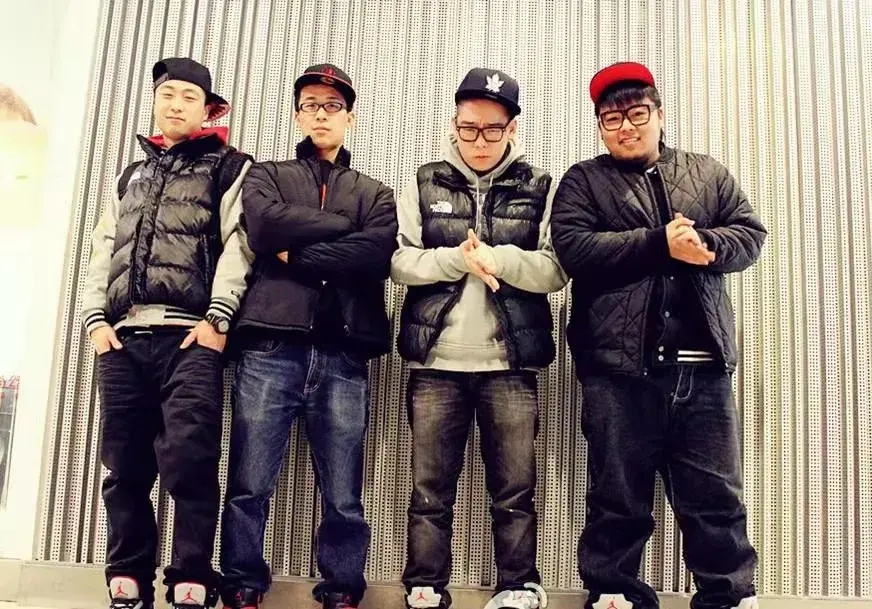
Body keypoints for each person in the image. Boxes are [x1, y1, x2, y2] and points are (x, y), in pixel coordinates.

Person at [550, 61, 766, 609]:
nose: (626, 127)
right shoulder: (583, 181)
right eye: (611, 118)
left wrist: (708, 246)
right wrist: (657, 243)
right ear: (600, 126)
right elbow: (574, 248)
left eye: (637, 113)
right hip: (618, 370)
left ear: (660, 115)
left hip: (704, 369)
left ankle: (728, 596)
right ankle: (613, 593)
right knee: (617, 496)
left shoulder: (707, 172)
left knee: (716, 497)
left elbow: (750, 234)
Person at [218, 63, 397, 609]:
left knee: (343, 491)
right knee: (249, 481)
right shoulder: (266, 175)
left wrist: (296, 253)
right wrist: (342, 226)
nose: (322, 115)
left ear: (350, 117)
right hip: (270, 347)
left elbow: (375, 254)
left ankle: (341, 587)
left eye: (333, 106)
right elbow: (263, 227)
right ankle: (242, 581)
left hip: (343, 352)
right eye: (311, 105)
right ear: (298, 114)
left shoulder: (375, 192)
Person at [392, 67, 567, 609]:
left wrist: (499, 259)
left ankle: (518, 586)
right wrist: (456, 260)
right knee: (429, 490)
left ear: (512, 129)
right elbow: (399, 260)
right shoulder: (424, 180)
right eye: (469, 128)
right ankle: (424, 586)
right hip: (435, 365)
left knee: (515, 491)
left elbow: (555, 270)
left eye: (493, 129)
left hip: (509, 365)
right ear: (453, 124)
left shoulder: (539, 185)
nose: (480, 140)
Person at [81, 57, 253, 609]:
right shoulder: (130, 174)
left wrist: (218, 318)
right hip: (123, 340)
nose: (176, 104)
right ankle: (127, 574)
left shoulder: (229, 167)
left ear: (208, 109)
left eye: (188, 97)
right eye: (167, 94)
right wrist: (95, 321)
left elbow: (239, 246)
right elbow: (103, 248)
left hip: (190, 339)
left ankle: (191, 577)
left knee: (190, 459)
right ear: (156, 101)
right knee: (124, 466)